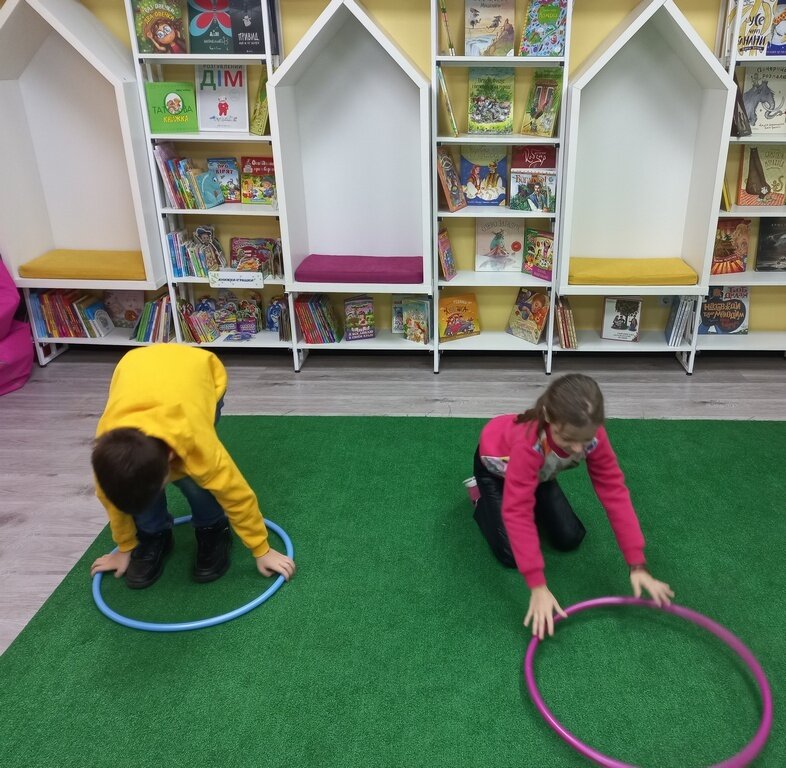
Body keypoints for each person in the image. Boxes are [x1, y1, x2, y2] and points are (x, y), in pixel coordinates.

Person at [466, 374, 673, 639]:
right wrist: (538, 586)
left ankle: (526, 489)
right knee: (510, 555)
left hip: (539, 474)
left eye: (584, 441)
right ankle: (480, 497)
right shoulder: (528, 445)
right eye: (568, 439)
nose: (577, 449)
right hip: (495, 468)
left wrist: (637, 564)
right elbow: (517, 513)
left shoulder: (592, 434)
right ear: (549, 418)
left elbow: (614, 492)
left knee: (570, 537)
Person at [89, 345, 296, 589]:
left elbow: (237, 496)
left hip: (198, 370)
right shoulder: (108, 460)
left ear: (169, 457)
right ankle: (153, 534)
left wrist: (262, 550)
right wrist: (125, 547)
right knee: (142, 491)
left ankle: (213, 527)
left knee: (195, 481)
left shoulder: (198, 444)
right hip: (135, 368)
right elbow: (113, 504)